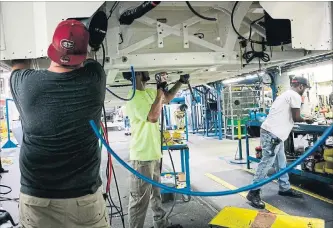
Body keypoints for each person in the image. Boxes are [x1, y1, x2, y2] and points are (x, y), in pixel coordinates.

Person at [9, 20, 109, 228]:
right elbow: (91, 62)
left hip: (37, 200)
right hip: (83, 201)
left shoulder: (26, 83)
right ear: (81, 56)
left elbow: (18, 64)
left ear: (51, 50)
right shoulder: (94, 80)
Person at [126, 72, 189, 228]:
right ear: (137, 75)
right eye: (145, 71)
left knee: (156, 195)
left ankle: (161, 224)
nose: (148, 72)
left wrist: (180, 82)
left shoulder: (148, 93)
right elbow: (153, 117)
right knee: (139, 200)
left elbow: (166, 98)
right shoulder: (133, 96)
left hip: (154, 154)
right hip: (142, 157)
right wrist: (160, 86)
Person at [246, 76, 314, 209]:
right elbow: (296, 117)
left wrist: (303, 117)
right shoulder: (295, 95)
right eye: (305, 88)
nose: (304, 91)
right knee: (266, 163)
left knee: (281, 162)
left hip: (275, 134)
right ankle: (253, 192)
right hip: (273, 134)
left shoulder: (285, 95)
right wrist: (307, 119)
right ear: (300, 86)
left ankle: (284, 188)